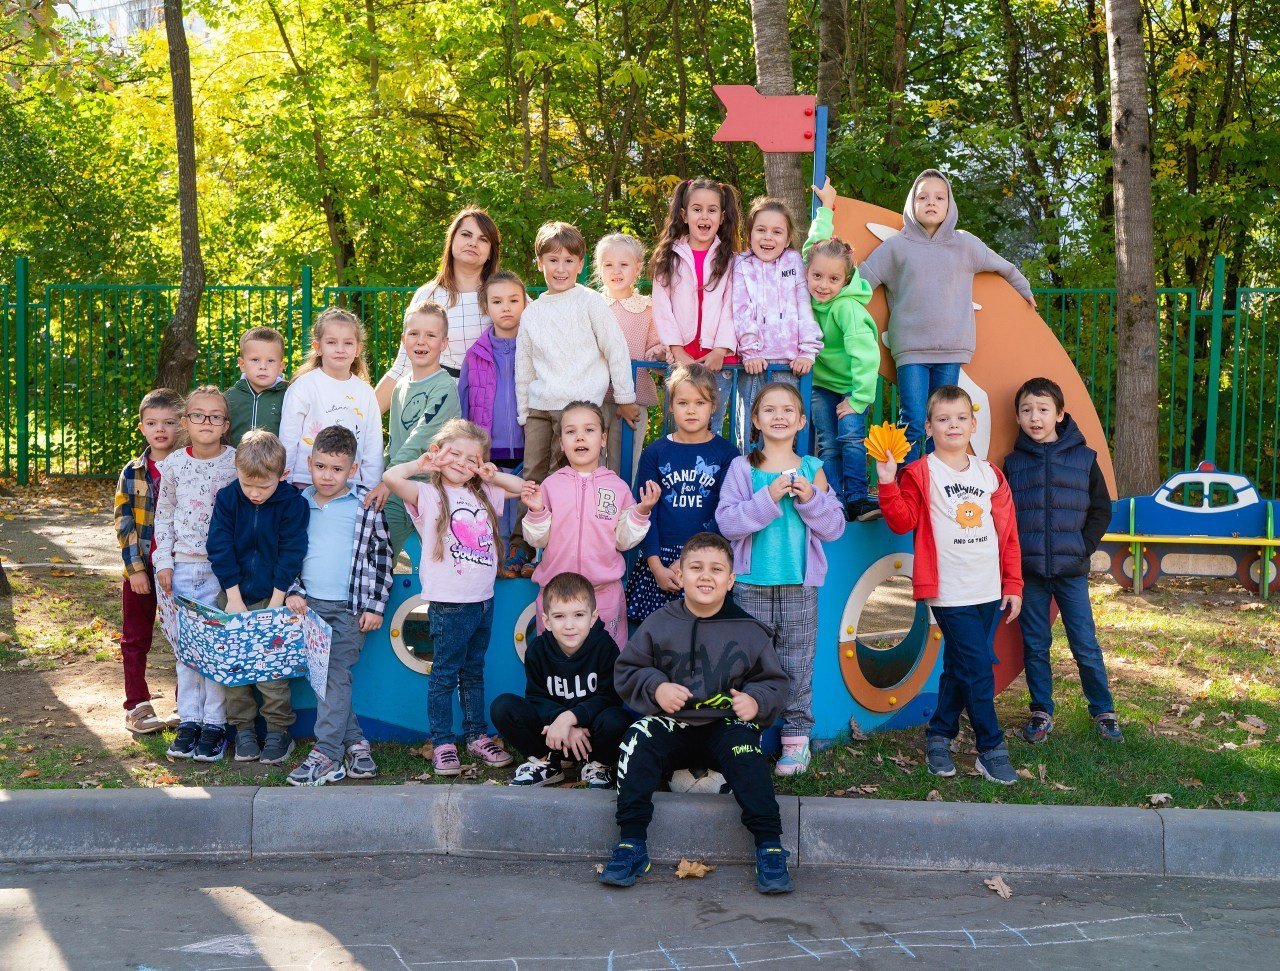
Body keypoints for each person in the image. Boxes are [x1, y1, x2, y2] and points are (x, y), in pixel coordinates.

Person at [602, 532, 793, 894]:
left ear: (731, 580)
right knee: (637, 740)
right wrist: (657, 687)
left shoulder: (750, 630)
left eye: (716, 569)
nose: (706, 576)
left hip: (726, 726)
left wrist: (755, 701)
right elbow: (628, 670)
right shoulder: (658, 623)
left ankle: (769, 847)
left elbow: (773, 682)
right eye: (696, 568)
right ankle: (631, 843)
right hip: (672, 724)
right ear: (680, 574)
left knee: (747, 756)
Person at [876, 384, 1024, 784]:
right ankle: (991, 748)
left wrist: (1013, 583)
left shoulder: (989, 474)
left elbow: (1008, 534)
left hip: (988, 589)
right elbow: (902, 521)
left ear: (973, 424)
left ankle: (939, 734)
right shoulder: (919, 473)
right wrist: (888, 483)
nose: (953, 425)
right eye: (943, 419)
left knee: (961, 666)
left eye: (960, 418)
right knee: (978, 667)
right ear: (929, 427)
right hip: (949, 590)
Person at [382, 419, 530, 777]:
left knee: (473, 672)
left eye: (472, 458)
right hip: (450, 604)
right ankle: (443, 742)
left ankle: (477, 736)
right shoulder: (428, 495)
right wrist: (420, 464)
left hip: (483, 600)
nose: (463, 463)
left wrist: (492, 474)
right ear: (438, 452)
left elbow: (522, 488)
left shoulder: (484, 493)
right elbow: (391, 478)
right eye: (455, 454)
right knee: (445, 674)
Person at [857, 168, 1035, 464]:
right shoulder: (896, 247)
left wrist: (1024, 290)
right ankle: (909, 482)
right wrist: (835, 299)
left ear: (949, 204)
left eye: (939, 197)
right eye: (923, 197)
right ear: (911, 204)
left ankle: (937, 481)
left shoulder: (965, 244)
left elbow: (1003, 266)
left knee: (942, 421)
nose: (931, 202)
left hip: (951, 348)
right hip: (911, 349)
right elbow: (863, 281)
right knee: (913, 419)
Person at [716, 382, 845, 776]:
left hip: (799, 587)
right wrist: (768, 498)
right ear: (755, 420)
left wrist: (811, 499)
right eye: (769, 410)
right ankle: (746, 737)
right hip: (750, 584)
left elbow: (834, 527)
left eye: (788, 410)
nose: (779, 416)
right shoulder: (743, 468)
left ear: (802, 421)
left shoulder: (812, 469)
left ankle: (795, 743)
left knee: (797, 664)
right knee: (747, 665)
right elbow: (727, 523)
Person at [1003, 377, 1122, 743]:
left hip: (1071, 572)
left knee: (1085, 644)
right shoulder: (1013, 464)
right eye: (1026, 410)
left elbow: (1101, 510)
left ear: (1059, 414)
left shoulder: (1084, 459)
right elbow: (1004, 516)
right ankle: (1041, 711)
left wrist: (1082, 546)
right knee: (1036, 645)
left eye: (1043, 409)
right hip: (1030, 573)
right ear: (1018, 417)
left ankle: (1103, 711)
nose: (1034, 417)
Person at [284, 425, 395, 785]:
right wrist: (292, 590)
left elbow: (382, 557)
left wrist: (375, 605)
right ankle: (356, 744)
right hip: (309, 608)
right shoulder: (297, 503)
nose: (327, 476)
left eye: (337, 469)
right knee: (329, 680)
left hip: (350, 608)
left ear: (353, 469)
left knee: (334, 676)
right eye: (320, 467)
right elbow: (287, 554)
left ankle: (327, 754)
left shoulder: (366, 505)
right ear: (309, 464)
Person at [206, 430, 310, 766]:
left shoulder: (293, 504)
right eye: (247, 484)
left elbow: (292, 553)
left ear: (282, 475)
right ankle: (244, 730)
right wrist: (233, 598)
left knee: (271, 673)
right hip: (233, 597)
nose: (254, 493)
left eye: (263, 487)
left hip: (271, 598)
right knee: (235, 671)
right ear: (236, 471)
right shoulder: (228, 498)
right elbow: (219, 547)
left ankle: (278, 731)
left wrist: (276, 602)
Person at [521, 401, 659, 650]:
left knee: (605, 659)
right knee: (555, 659)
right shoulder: (551, 485)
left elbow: (623, 540)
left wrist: (641, 512)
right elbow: (537, 539)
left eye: (589, 430)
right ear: (562, 443)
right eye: (570, 431)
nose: (580, 437)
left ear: (603, 439)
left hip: (603, 595)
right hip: (557, 596)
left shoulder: (617, 487)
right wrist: (537, 511)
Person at [515, 221, 639, 485]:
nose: (561, 269)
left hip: (580, 408)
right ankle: (529, 516)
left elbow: (615, 348)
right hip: (539, 409)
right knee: (533, 477)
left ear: (580, 265)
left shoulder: (590, 301)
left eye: (568, 261)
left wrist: (625, 398)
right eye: (553, 260)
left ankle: (575, 515)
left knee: (571, 476)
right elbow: (524, 367)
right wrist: (524, 413)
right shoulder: (531, 313)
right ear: (540, 263)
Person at [152, 386, 238, 762]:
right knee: (187, 650)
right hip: (183, 568)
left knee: (215, 647)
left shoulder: (236, 463)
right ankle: (189, 721)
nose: (207, 422)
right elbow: (163, 517)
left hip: (222, 571)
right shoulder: (173, 465)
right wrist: (164, 563)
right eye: (198, 415)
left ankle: (215, 726)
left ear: (226, 425)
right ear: (185, 422)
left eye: (215, 416)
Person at [490, 571, 631, 789]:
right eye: (559, 616)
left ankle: (597, 765)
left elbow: (609, 697)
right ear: (546, 621)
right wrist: (562, 723)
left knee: (618, 719)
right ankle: (546, 763)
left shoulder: (605, 647)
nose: (569, 625)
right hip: (551, 735)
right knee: (503, 706)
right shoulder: (537, 650)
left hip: (590, 737)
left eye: (578, 615)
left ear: (593, 617)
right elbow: (537, 698)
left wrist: (571, 718)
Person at [625, 364, 739, 624]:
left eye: (700, 402)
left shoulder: (727, 454)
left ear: (713, 406)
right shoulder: (655, 453)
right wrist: (656, 566)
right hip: (661, 562)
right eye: (683, 403)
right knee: (660, 638)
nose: (691, 410)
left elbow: (725, 514)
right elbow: (647, 514)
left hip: (707, 559)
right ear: (671, 406)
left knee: (705, 635)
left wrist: (689, 560)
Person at [805, 178, 883, 523]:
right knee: (828, 442)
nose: (823, 285)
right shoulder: (807, 292)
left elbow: (866, 355)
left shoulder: (847, 308)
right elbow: (813, 244)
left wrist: (859, 398)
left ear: (846, 280)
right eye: (817, 276)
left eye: (833, 279)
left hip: (853, 385)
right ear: (808, 272)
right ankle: (834, 500)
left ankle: (857, 498)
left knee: (851, 437)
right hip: (822, 383)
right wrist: (826, 207)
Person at [376, 206, 502, 407]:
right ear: (451, 241)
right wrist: (362, 419)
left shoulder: (505, 294)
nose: (473, 243)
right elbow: (402, 367)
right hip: (439, 401)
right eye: (466, 235)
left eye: (483, 239)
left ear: (490, 253)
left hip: (492, 400)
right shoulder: (428, 296)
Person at [114, 387, 185, 735]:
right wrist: (136, 570)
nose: (161, 429)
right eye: (153, 423)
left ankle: (186, 703)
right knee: (135, 638)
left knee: (185, 636)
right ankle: (137, 705)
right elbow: (123, 521)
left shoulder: (188, 466)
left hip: (180, 567)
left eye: (169, 422)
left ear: (182, 425)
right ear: (142, 427)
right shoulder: (133, 472)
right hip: (142, 567)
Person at [367, 300, 461, 554]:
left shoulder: (444, 388)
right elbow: (395, 441)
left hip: (433, 489)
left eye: (431, 335)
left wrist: (389, 480)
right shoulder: (400, 387)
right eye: (414, 334)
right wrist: (383, 477)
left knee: (440, 559)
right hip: (398, 489)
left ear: (444, 343)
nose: (421, 341)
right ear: (403, 340)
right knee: (378, 555)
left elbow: (421, 438)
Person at [650, 177, 742, 436]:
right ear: (684, 214)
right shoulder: (668, 258)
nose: (704, 216)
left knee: (713, 427)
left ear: (722, 217)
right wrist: (677, 350)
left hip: (718, 360)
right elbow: (662, 307)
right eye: (697, 209)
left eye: (712, 210)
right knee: (680, 426)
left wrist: (720, 350)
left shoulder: (732, 260)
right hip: (683, 357)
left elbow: (733, 306)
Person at [731, 197, 823, 451]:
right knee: (749, 430)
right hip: (754, 365)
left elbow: (804, 307)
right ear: (749, 234)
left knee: (786, 431)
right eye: (761, 230)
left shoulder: (794, 262)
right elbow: (741, 309)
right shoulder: (742, 264)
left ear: (788, 236)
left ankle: (786, 475)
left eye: (777, 232)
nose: (768, 237)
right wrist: (749, 351)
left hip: (789, 366)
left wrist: (807, 351)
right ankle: (748, 474)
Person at [459, 270, 533, 577]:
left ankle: (526, 563)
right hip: (490, 457)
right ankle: (495, 567)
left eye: (514, 300)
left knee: (527, 517)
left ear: (525, 303)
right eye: (497, 301)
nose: (506, 308)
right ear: (486, 306)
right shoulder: (475, 354)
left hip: (529, 451)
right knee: (494, 517)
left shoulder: (535, 348)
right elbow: (464, 404)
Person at [278, 307, 383, 491]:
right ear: (318, 347)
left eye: (348, 343)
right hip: (305, 483)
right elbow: (288, 438)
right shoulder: (303, 386)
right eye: (332, 342)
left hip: (350, 487)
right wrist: (284, 485)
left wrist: (370, 489)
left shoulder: (365, 393)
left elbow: (372, 446)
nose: (340, 349)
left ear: (358, 349)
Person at [594, 232, 666, 480]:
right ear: (599, 269)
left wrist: (657, 353)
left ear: (637, 269)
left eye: (623, 264)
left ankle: (622, 505)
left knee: (624, 467)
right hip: (594, 398)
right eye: (608, 265)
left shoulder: (648, 309)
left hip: (633, 400)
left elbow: (653, 351)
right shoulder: (591, 305)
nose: (616, 271)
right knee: (591, 463)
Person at [225, 326, 289, 446]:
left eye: (270, 361)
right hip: (234, 458)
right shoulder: (229, 398)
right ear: (242, 364)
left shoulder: (289, 395)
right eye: (255, 360)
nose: (263, 366)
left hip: (277, 458)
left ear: (281, 367)